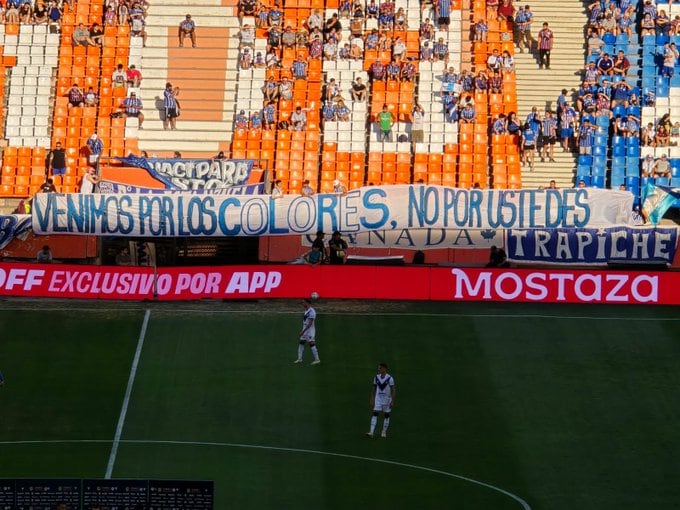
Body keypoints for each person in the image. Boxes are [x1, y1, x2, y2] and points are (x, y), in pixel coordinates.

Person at [366, 362, 395, 438]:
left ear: (385, 369)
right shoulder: (376, 377)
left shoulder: (390, 378)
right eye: (379, 368)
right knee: (375, 413)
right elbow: (374, 388)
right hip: (378, 398)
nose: (379, 369)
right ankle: (371, 432)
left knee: (386, 415)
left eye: (380, 368)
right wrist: (372, 398)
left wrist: (392, 400)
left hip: (387, 399)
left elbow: (393, 390)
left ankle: (384, 432)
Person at [294, 298, 321, 365]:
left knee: (311, 344)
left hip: (310, 330)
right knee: (301, 342)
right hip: (305, 329)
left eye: (303, 302)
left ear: (307, 303)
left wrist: (303, 331)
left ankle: (317, 359)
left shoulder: (312, 311)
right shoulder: (306, 310)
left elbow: (310, 324)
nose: (302, 304)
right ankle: (299, 358)